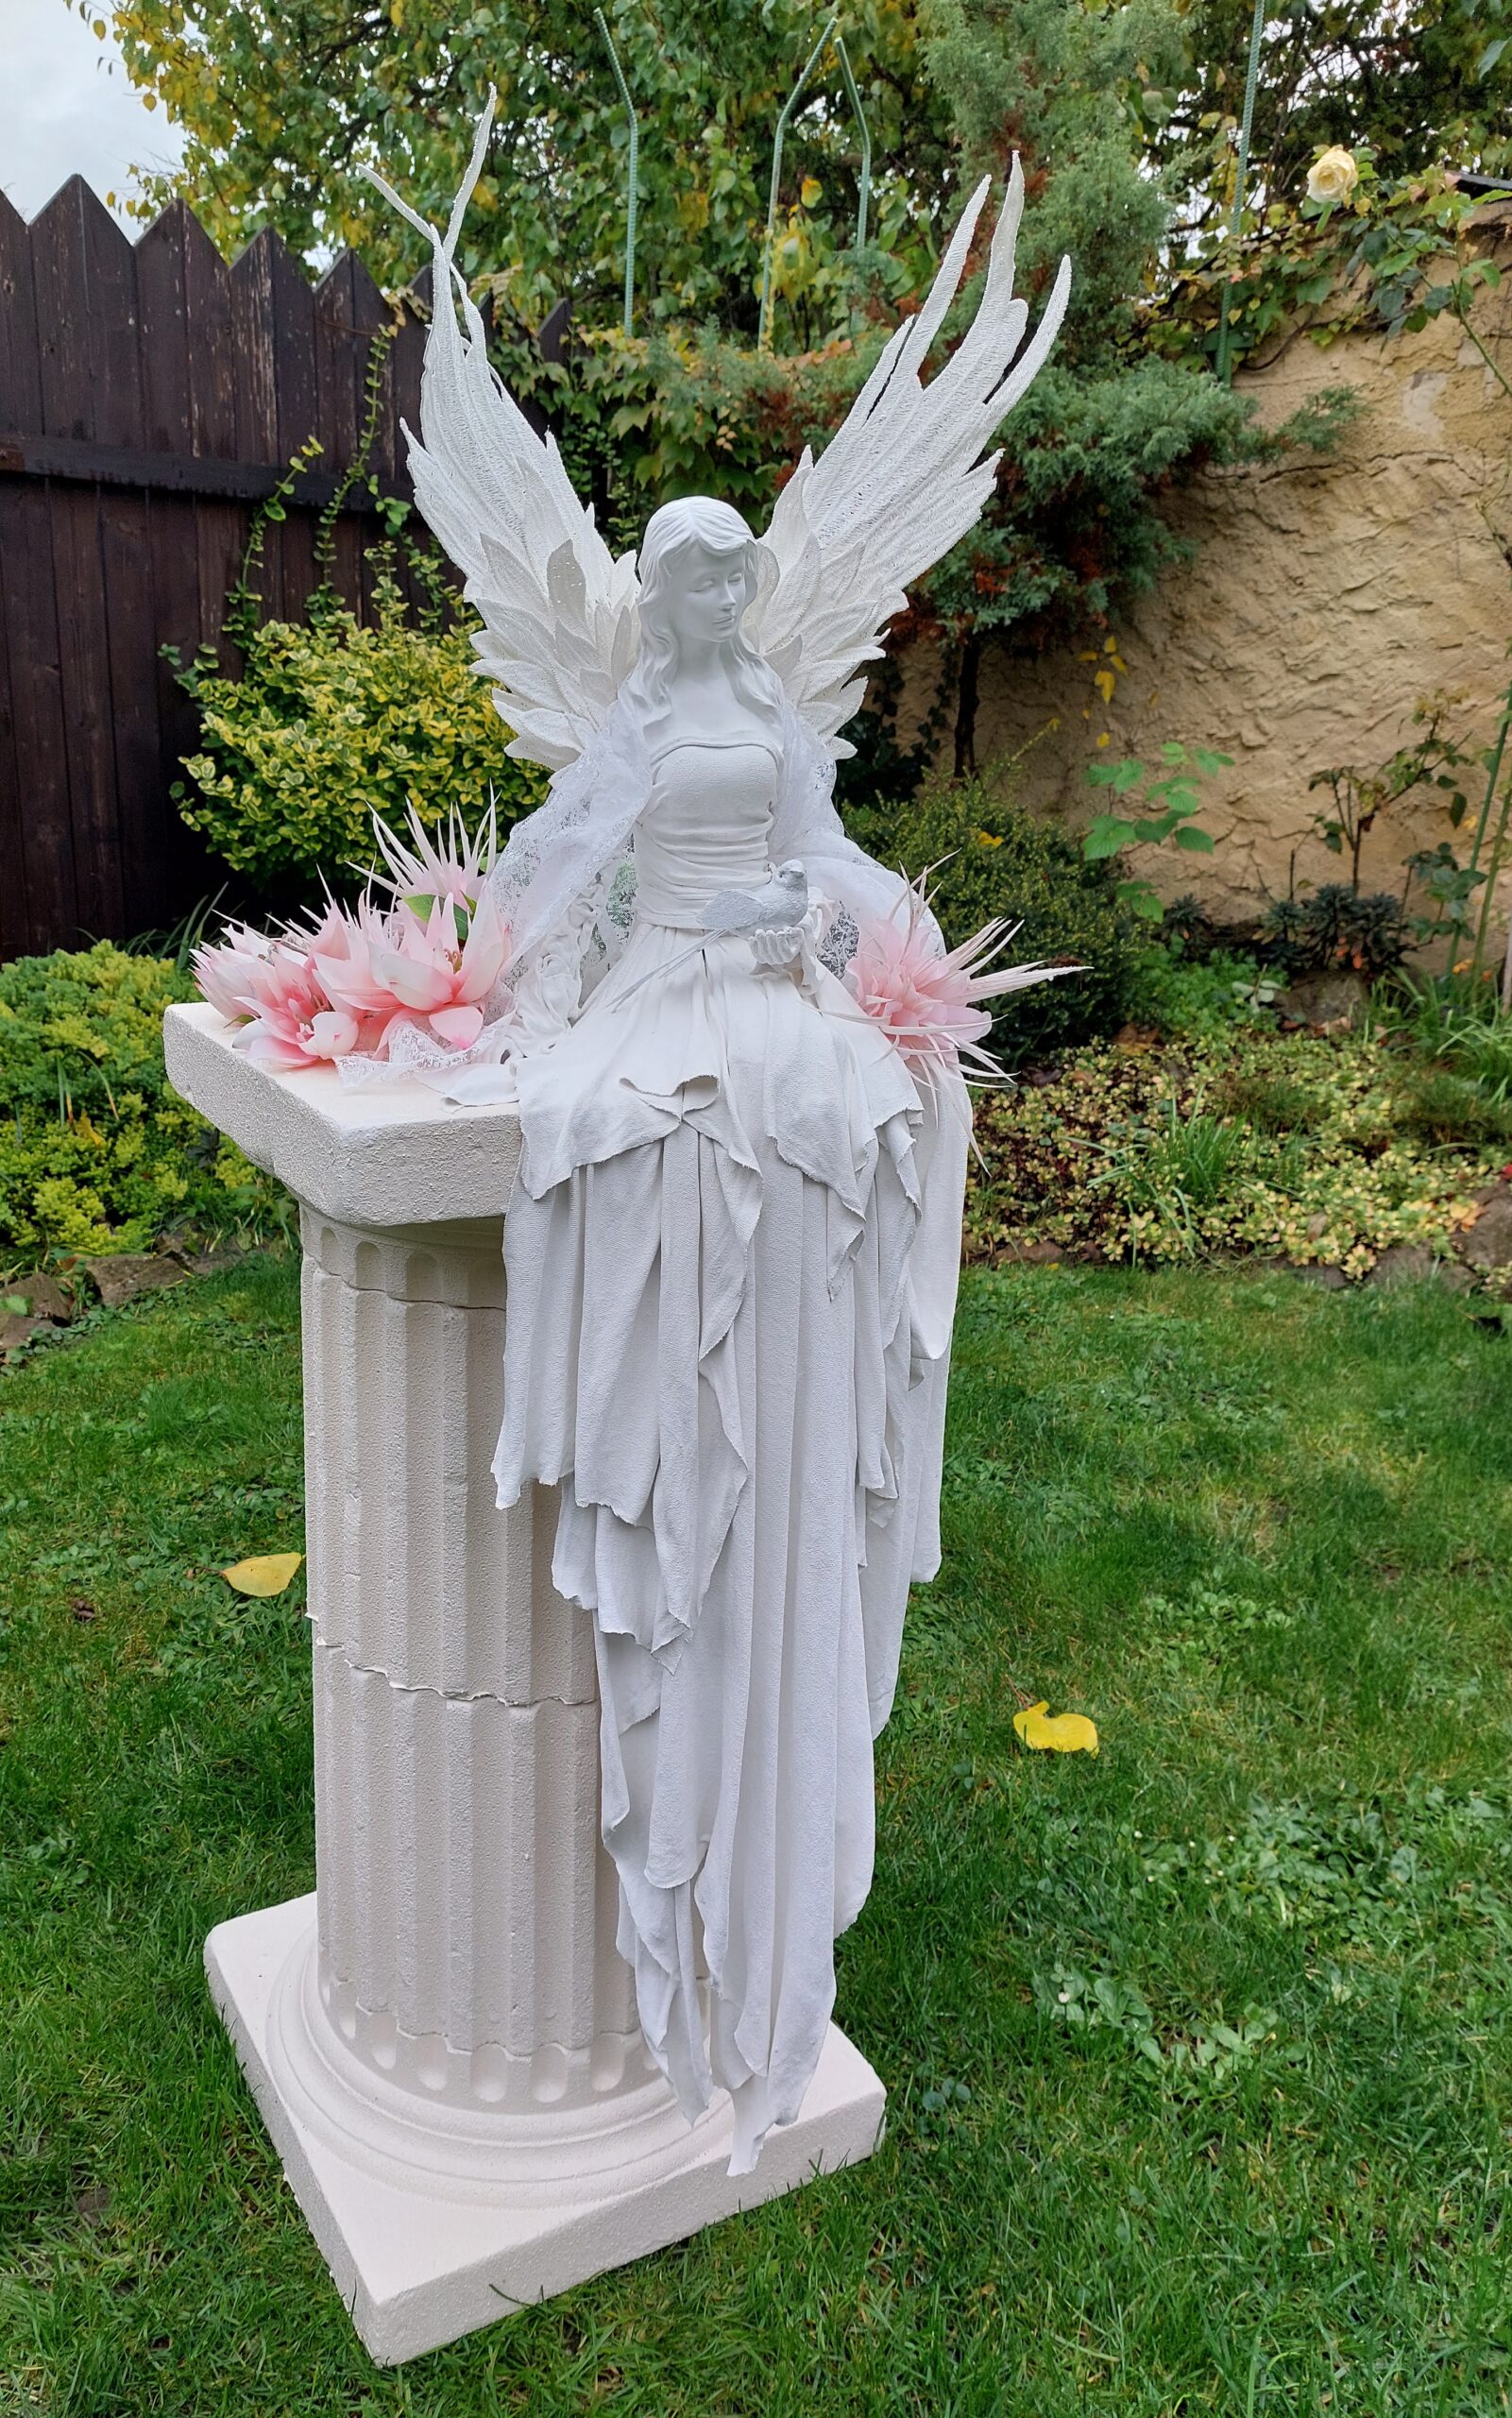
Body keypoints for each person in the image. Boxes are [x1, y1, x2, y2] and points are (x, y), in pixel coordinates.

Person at [485, 493, 970, 2175]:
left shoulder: (770, 709)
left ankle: (779, 1471)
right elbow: (569, 857)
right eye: (695, 575)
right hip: (667, 989)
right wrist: (496, 982)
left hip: (767, 991)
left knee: (827, 1104)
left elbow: (824, 859)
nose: (719, 596)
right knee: (654, 1125)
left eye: (734, 574)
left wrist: (843, 925)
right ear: (659, 590)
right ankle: (674, 1485)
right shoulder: (639, 716)